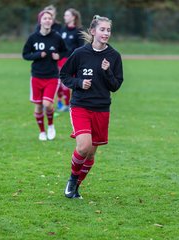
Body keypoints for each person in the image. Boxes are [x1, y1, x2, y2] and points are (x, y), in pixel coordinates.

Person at [60, 15, 124, 198]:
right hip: (80, 105)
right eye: (102, 29)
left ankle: (76, 186)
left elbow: (116, 86)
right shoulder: (80, 53)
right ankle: (72, 179)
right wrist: (79, 83)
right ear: (93, 31)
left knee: (90, 154)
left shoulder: (114, 56)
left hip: (102, 108)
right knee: (83, 147)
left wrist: (107, 71)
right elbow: (64, 75)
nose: (106, 33)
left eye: (108, 30)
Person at [22, 10, 67, 141]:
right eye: (45, 18)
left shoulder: (57, 37)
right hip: (36, 76)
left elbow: (65, 51)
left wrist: (59, 56)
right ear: (40, 21)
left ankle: (51, 125)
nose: (47, 20)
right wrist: (37, 55)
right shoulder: (33, 38)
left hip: (52, 76)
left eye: (49, 18)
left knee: (47, 104)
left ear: (52, 21)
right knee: (39, 105)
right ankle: (42, 132)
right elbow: (25, 55)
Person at [57, 8, 85, 112]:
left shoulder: (79, 31)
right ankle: (63, 104)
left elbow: (81, 48)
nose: (65, 17)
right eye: (64, 15)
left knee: (71, 83)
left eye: (67, 15)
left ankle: (73, 104)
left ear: (73, 17)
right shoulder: (62, 30)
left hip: (72, 61)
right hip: (61, 60)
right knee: (60, 83)